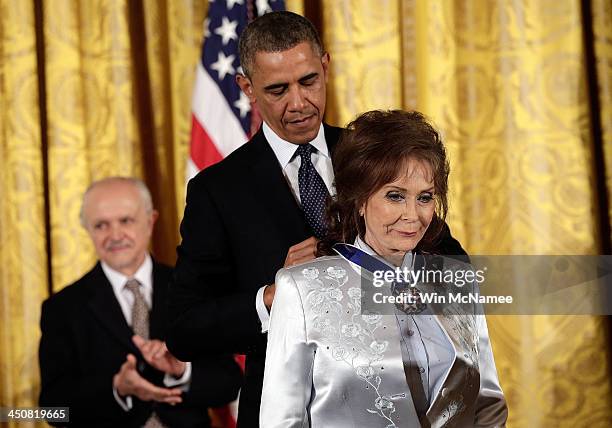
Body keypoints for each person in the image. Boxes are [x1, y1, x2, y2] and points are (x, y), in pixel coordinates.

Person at [166, 12, 466, 427]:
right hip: (283, 409)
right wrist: (274, 295)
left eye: (308, 81)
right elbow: (184, 330)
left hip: (398, 404)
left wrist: (387, 270)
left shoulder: (376, 157)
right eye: (277, 89)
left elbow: (455, 272)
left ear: (325, 65)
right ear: (246, 88)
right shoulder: (216, 191)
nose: (298, 103)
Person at [260, 110, 508, 427]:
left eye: (425, 198)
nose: (412, 215)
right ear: (359, 200)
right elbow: (281, 421)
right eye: (395, 196)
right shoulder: (301, 288)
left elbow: (488, 406)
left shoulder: (455, 283)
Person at [39, 177, 242, 427]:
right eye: (101, 225)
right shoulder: (62, 308)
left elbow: (229, 383)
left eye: (125, 221)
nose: (115, 235)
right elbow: (52, 410)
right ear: (87, 230)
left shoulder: (195, 289)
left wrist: (181, 371)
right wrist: (117, 389)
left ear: (150, 221)